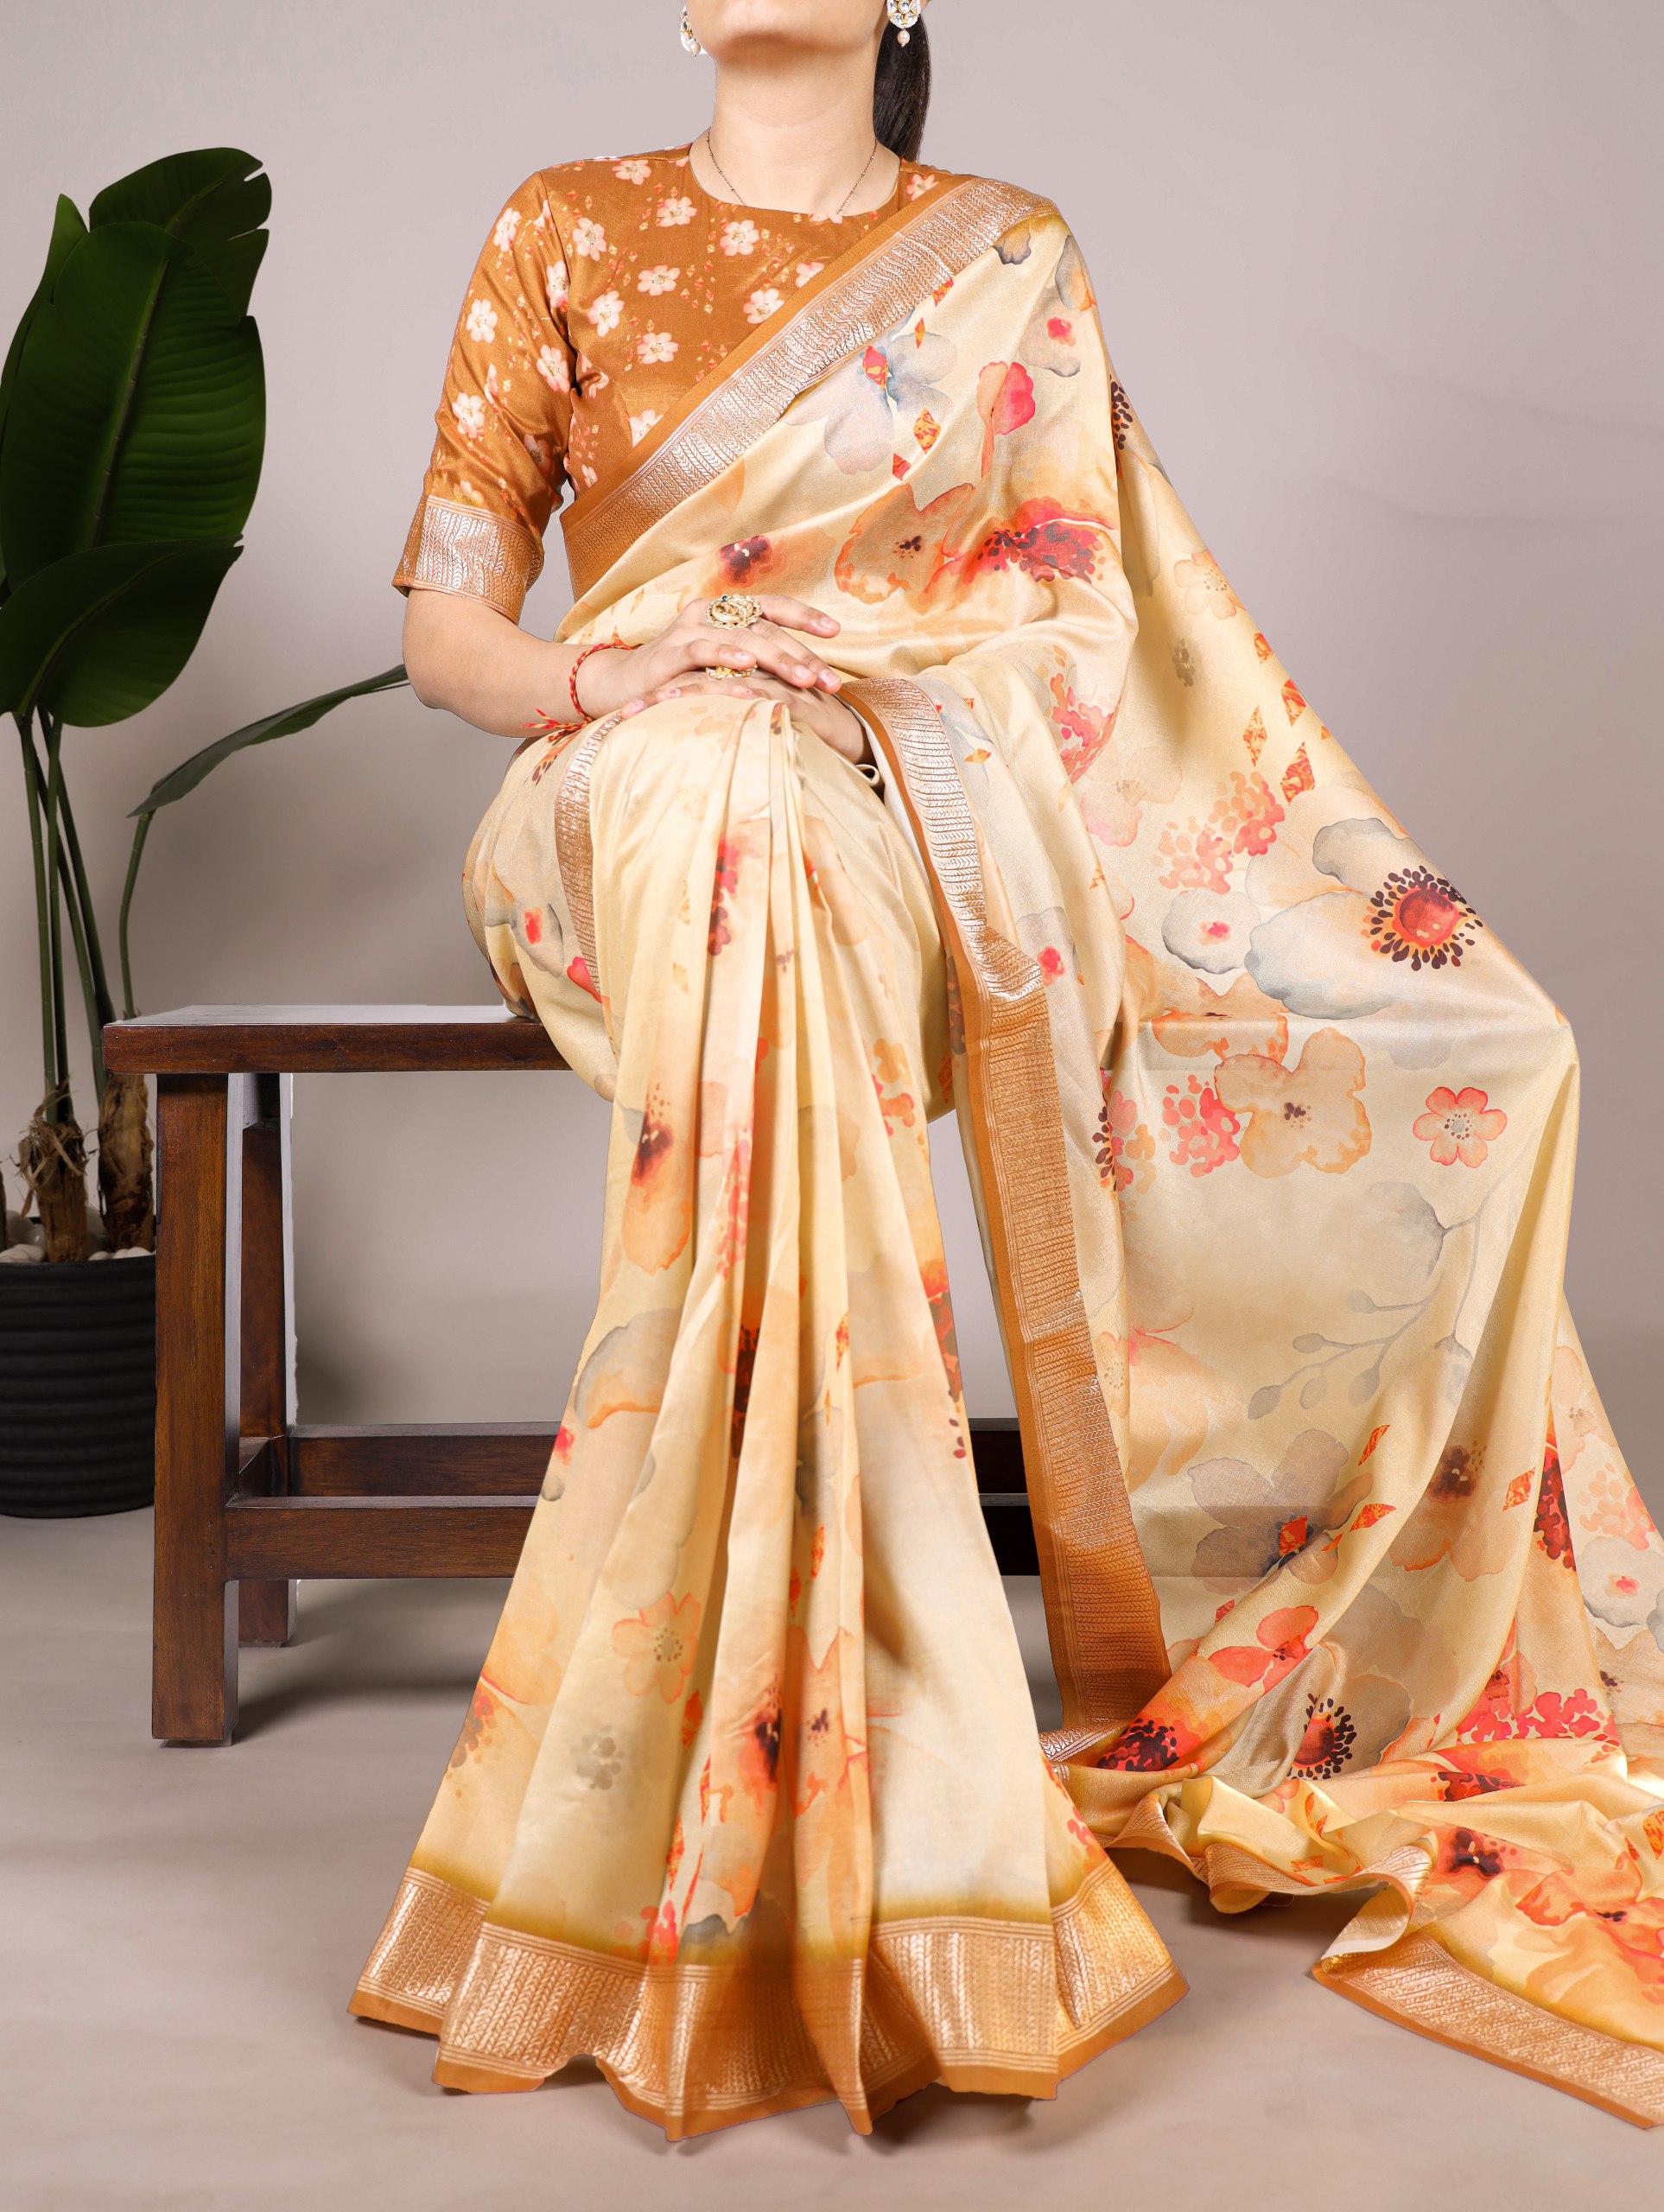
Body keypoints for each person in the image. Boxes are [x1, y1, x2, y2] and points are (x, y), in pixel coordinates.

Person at [352, 0, 1664, 2137]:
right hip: (620, 795)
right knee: (733, 792)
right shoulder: (565, 225)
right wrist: (636, 666)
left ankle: (765, 1776)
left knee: (1463, 1034)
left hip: (902, 803)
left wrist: (850, 684)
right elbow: (450, 634)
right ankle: (864, 1780)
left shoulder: (1006, 250)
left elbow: (1076, 633)